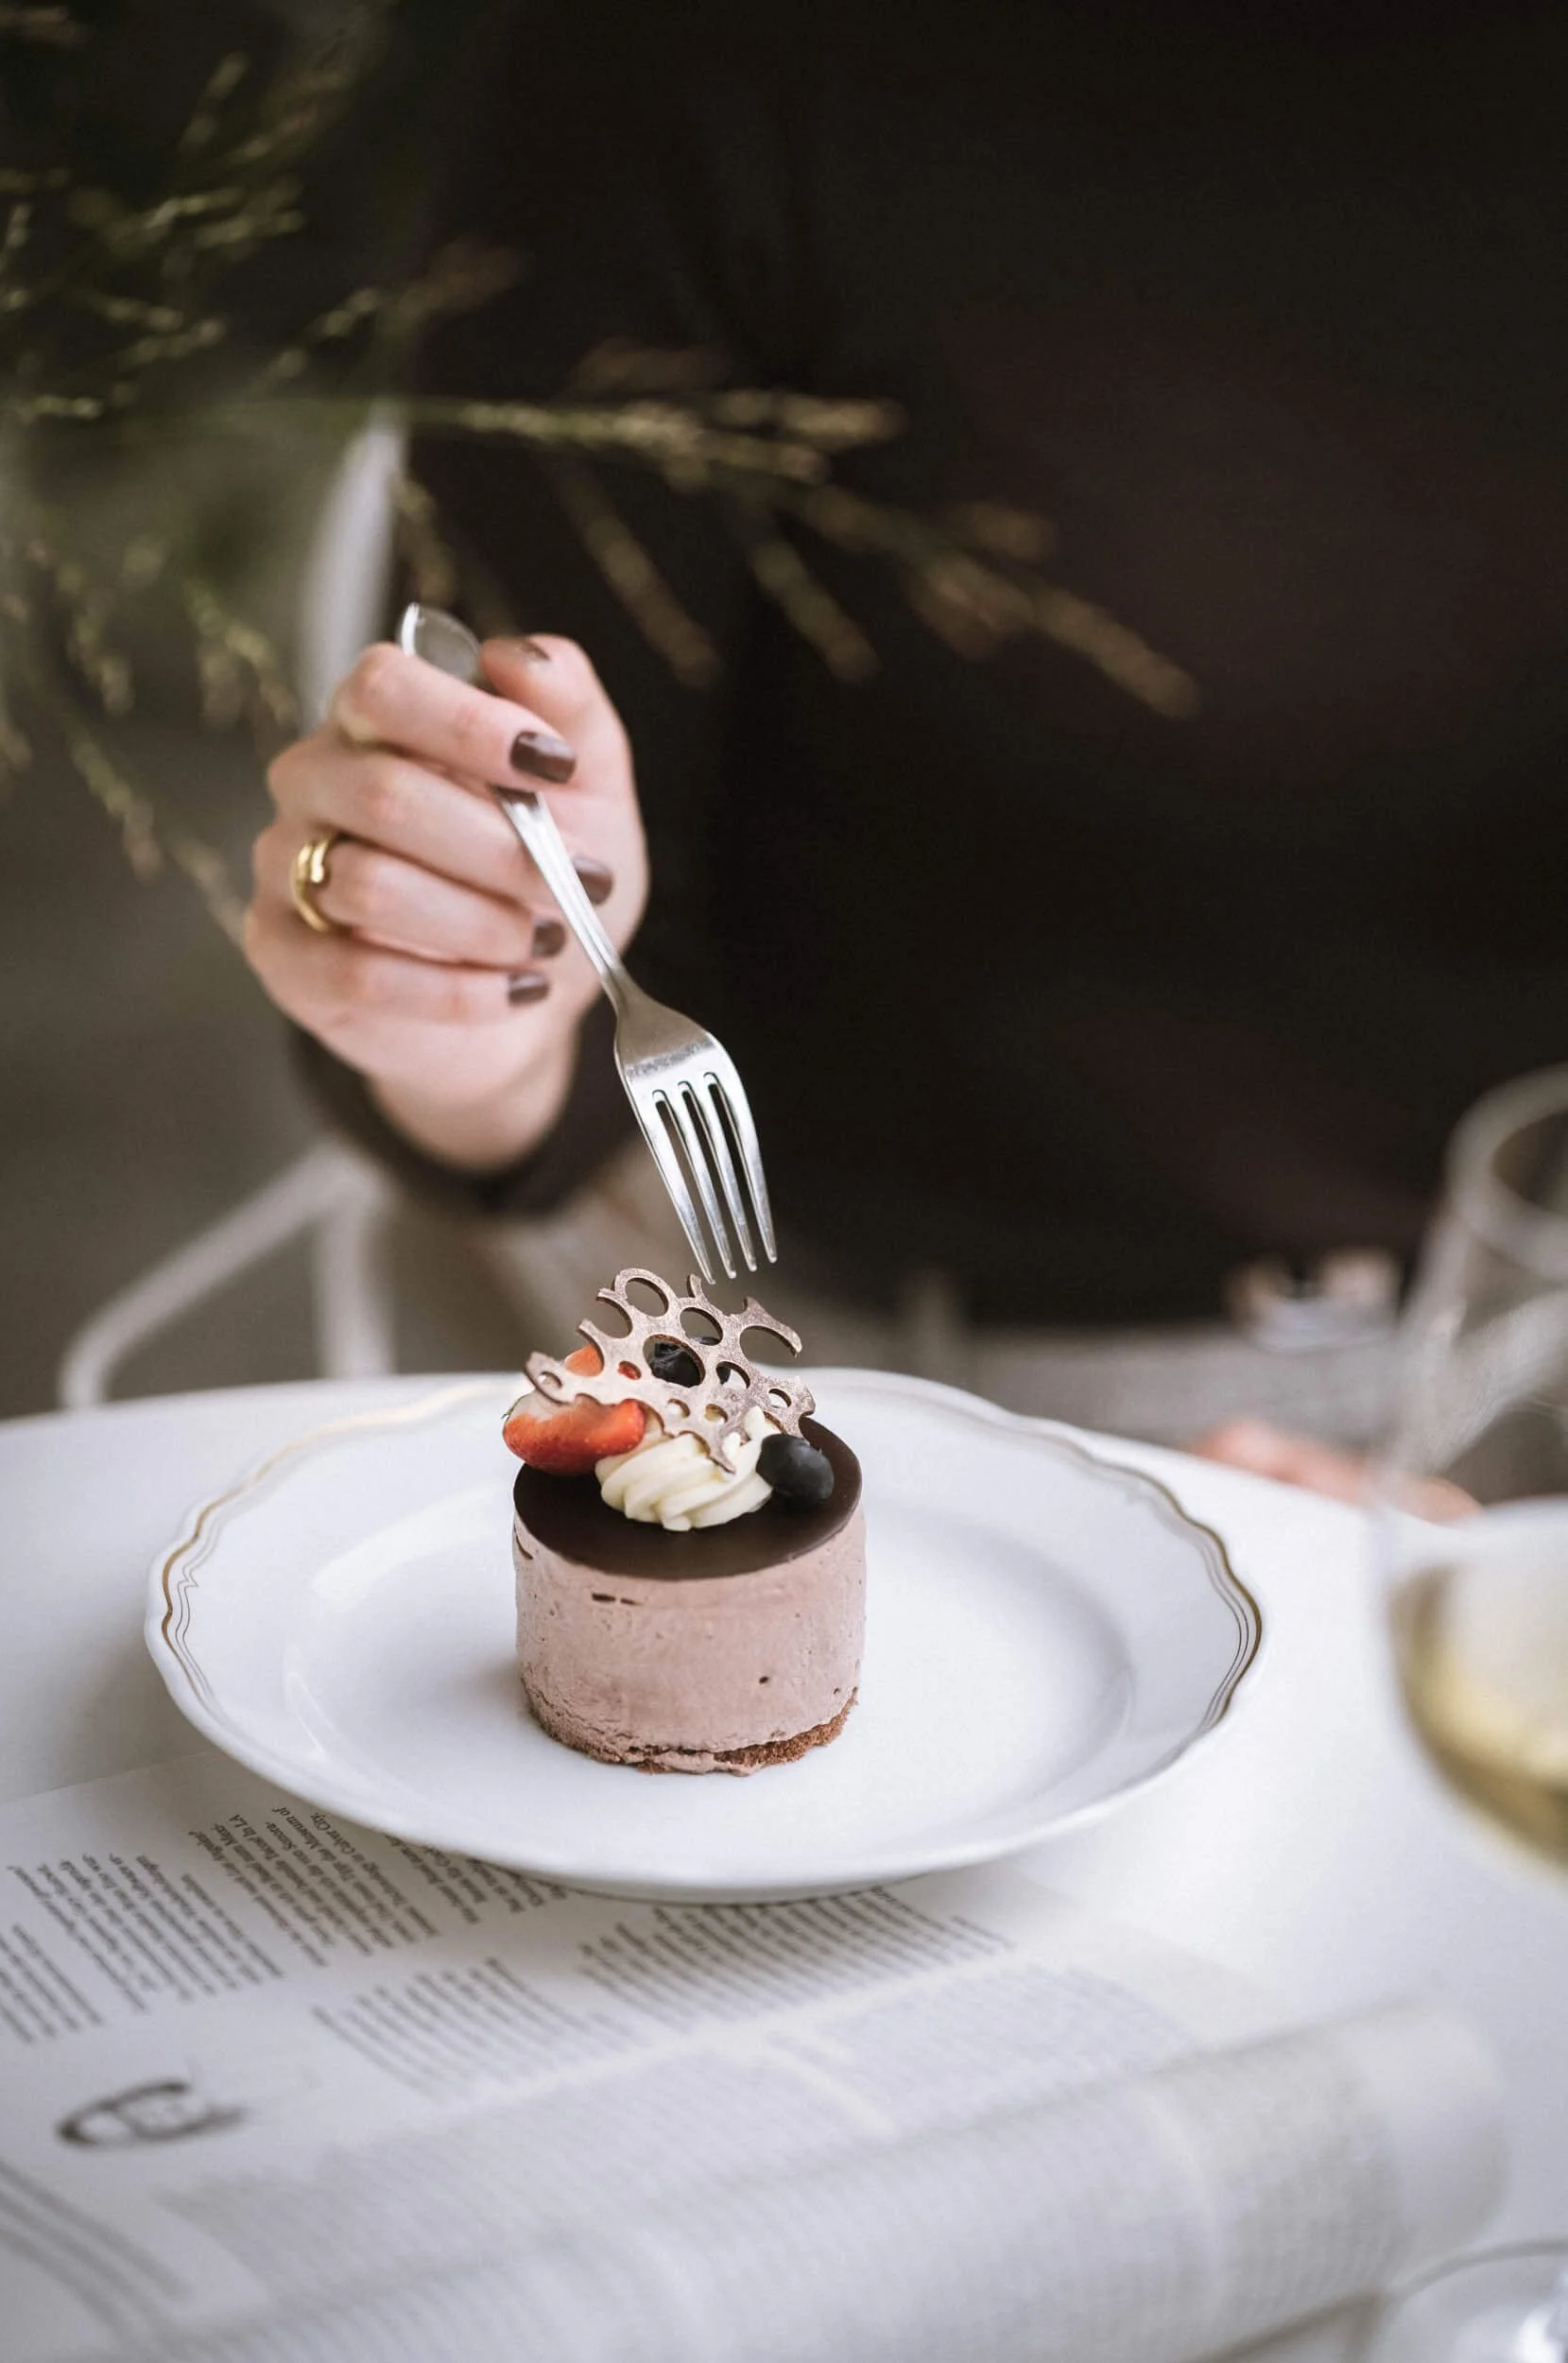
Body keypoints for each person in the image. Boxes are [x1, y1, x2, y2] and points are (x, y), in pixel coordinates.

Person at [244, 0, 1568, 1471]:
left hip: (1518, 1363)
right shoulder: (697, 57)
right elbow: (547, 1041)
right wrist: (460, 1005)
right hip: (807, 1328)